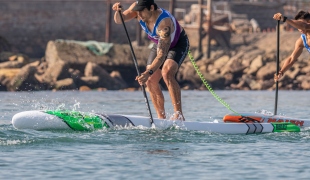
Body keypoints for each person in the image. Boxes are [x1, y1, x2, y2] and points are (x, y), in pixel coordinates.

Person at [112, 0, 190, 120]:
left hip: (177, 44)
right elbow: (119, 20)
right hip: (159, 44)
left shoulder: (164, 23)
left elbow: (162, 55)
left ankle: (178, 115)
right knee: (150, 81)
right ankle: (161, 118)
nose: (139, 14)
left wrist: (148, 73)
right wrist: (117, 11)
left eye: (142, 11)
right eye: (138, 11)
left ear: (152, 8)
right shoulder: (137, 9)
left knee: (167, 73)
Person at [273, 10, 310, 81]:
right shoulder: (301, 41)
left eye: (300, 23)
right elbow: (291, 59)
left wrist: (284, 19)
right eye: (297, 25)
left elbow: (304, 26)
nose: (300, 28)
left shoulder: (305, 26)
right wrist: (281, 72)